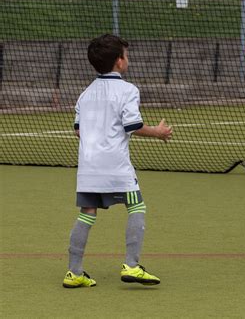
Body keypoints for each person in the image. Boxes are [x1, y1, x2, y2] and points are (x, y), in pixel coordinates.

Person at [63, 34, 173, 288]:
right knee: (136, 207)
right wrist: (158, 132)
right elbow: (132, 125)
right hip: (116, 166)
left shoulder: (85, 94)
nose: (128, 58)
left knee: (87, 214)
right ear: (119, 62)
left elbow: (79, 131)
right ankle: (132, 266)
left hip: (88, 167)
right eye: (126, 54)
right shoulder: (128, 90)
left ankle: (74, 272)